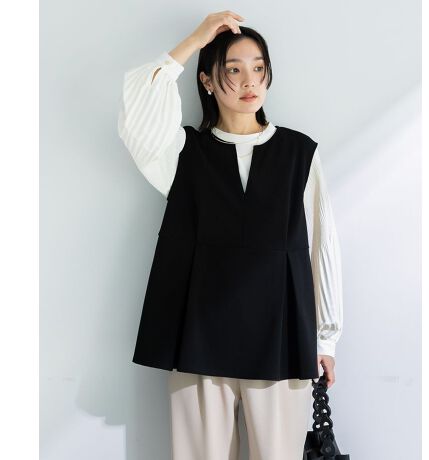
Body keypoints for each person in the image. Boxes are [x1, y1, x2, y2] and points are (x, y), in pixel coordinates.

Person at [118, 10, 343, 460]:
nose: (249, 80)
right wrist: (195, 40)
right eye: (233, 69)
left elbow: (322, 246)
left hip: (282, 337)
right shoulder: (181, 152)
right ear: (206, 80)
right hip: (197, 334)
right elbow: (138, 111)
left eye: (258, 67)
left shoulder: (299, 153)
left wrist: (326, 338)